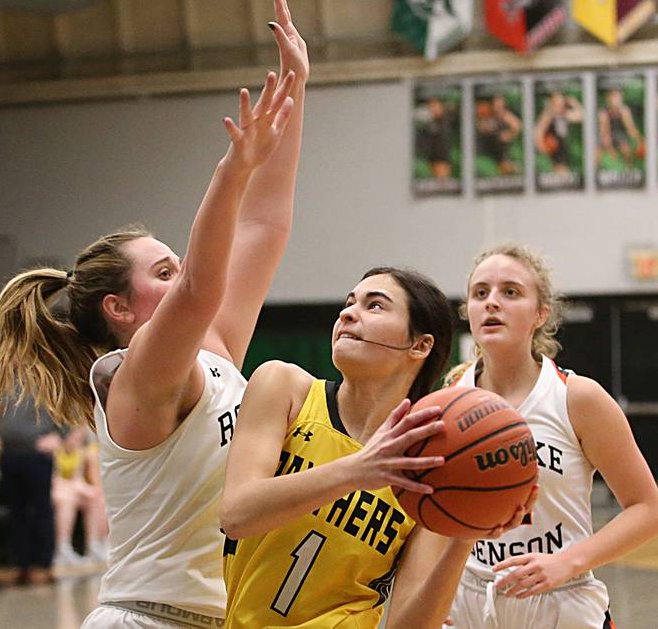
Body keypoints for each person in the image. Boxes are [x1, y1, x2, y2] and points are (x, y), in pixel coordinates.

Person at [0, 0, 308, 625]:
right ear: (120, 310)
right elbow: (200, 289)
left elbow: (266, 224)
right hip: (148, 617)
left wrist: (296, 88)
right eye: (163, 270)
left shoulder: (212, 354)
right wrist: (231, 170)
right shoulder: (134, 378)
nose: (181, 273)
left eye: (175, 263)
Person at [220, 267, 537, 628]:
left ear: (420, 345)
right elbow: (236, 515)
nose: (347, 313)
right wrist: (357, 470)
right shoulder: (284, 387)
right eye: (349, 302)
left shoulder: (429, 465)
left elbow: (408, 624)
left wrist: (464, 538)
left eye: (375, 306)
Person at [444, 243, 658, 629]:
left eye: (510, 292)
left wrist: (567, 562)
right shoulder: (447, 402)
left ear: (541, 313)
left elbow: (648, 507)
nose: (492, 302)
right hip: (468, 600)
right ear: (469, 312)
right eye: (481, 293)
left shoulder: (577, 397)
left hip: (561, 600)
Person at [0, 391, 64, 585]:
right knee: (14, 512)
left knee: (41, 510)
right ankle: (19, 564)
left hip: (38, 452)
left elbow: (69, 401)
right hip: (9, 452)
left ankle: (43, 564)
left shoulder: (44, 369)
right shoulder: (1, 373)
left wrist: (60, 434)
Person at [52, 427, 108, 566]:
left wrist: (90, 490)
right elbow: (54, 478)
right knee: (67, 500)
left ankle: (95, 544)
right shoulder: (55, 450)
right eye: (75, 437)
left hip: (73, 489)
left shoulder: (80, 452)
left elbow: (78, 479)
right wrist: (74, 486)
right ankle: (62, 547)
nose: (78, 441)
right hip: (57, 489)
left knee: (97, 498)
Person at [534, 91, 583, 174]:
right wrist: (543, 148)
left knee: (563, 173)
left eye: (561, 102)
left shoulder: (563, 114)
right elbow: (538, 132)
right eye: (557, 102)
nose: (560, 105)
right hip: (552, 150)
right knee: (560, 173)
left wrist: (574, 103)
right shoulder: (548, 114)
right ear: (552, 103)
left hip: (561, 149)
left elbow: (582, 116)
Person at [596, 88, 643, 168]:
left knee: (626, 150)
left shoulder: (625, 110)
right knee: (597, 152)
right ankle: (594, 173)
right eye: (614, 97)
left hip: (620, 134)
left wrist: (640, 140)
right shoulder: (603, 113)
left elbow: (631, 129)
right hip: (605, 134)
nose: (617, 100)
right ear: (608, 99)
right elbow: (604, 134)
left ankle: (629, 169)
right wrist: (610, 149)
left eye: (618, 97)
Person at [476, 95, 521, 176]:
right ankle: (503, 166)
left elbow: (517, 126)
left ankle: (507, 165)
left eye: (500, 102)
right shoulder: (487, 114)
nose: (497, 105)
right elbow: (482, 127)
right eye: (495, 102)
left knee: (504, 141)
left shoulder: (507, 116)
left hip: (504, 148)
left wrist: (509, 134)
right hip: (488, 148)